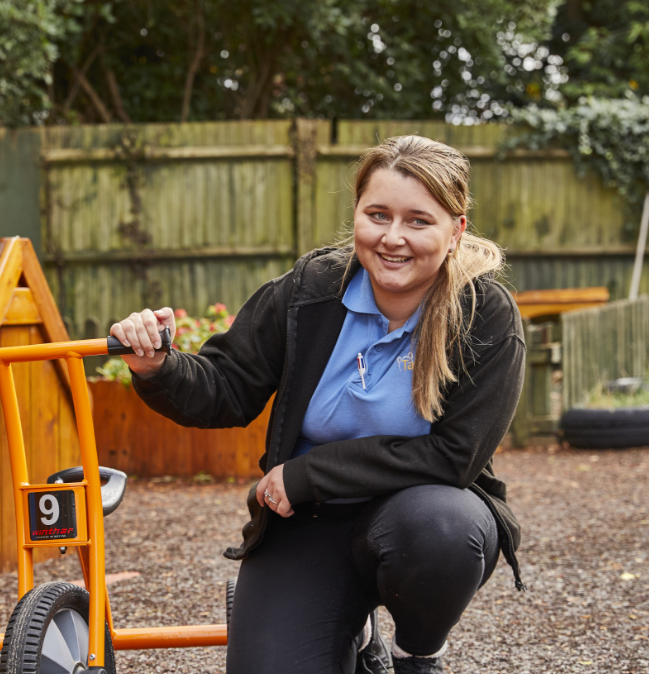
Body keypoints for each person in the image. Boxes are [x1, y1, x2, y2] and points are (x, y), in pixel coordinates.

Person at [111, 135, 526, 674]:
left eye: (419, 221)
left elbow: (455, 456)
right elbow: (228, 387)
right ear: (356, 214)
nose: (393, 238)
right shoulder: (312, 290)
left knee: (442, 531)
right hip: (305, 522)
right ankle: (352, 634)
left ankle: (417, 650)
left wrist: (308, 473)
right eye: (377, 214)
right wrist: (157, 365)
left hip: (420, 517)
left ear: (456, 231)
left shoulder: (483, 316)